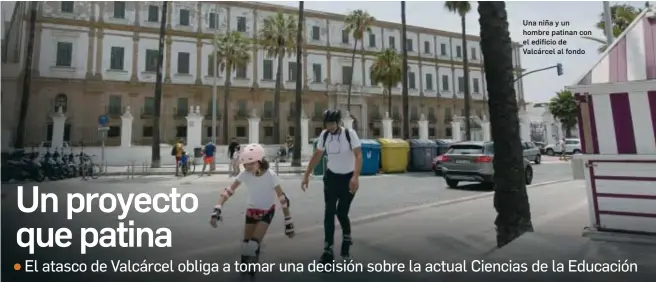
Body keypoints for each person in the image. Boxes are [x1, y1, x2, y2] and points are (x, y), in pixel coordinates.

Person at [210, 143, 295, 274]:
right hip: (251, 210)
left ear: (260, 161)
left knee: (253, 244)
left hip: (267, 211)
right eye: (245, 164)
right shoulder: (245, 174)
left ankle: (252, 265)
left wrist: (288, 221)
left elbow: (282, 198)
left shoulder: (270, 175)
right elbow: (229, 190)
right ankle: (246, 266)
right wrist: (217, 208)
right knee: (246, 246)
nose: (247, 167)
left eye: (250, 164)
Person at [301, 109, 362, 262]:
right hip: (331, 178)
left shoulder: (349, 134)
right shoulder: (325, 135)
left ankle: (347, 238)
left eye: (332, 123)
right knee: (329, 213)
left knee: (341, 213)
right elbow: (317, 155)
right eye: (327, 124)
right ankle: (327, 249)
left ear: (338, 122)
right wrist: (306, 174)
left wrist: (355, 176)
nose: (330, 127)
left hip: (348, 178)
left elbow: (358, 155)